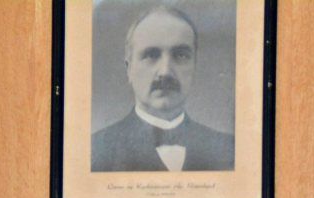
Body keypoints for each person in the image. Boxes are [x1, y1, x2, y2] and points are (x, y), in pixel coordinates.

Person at [91, 5, 234, 173]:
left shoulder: (229, 150)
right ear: (129, 69)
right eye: (151, 55)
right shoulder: (95, 151)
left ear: (194, 65)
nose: (165, 71)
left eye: (180, 55)